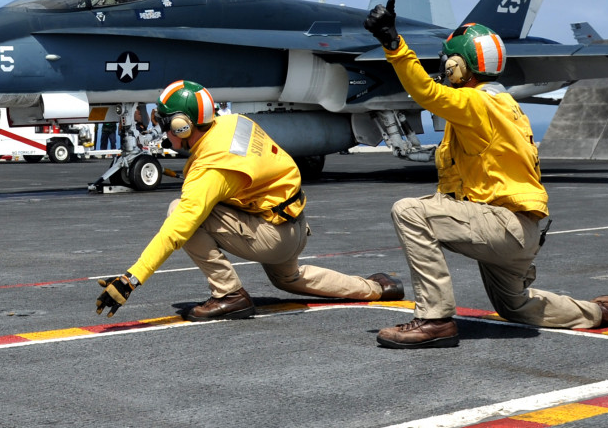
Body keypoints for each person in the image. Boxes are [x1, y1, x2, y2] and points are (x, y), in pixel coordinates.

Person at [362, 0, 608, 349]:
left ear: (457, 66)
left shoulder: (476, 103)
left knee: (409, 210)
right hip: (519, 230)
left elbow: (424, 92)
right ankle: (604, 312)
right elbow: (462, 184)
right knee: (517, 306)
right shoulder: (504, 105)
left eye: (447, 62)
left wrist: (393, 44)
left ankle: (434, 320)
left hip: (501, 225)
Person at [95, 80, 404, 321]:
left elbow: (176, 229)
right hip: (291, 222)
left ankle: (229, 295)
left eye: (165, 123)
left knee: (180, 212)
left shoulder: (211, 166)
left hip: (273, 234)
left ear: (183, 126)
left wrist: (130, 280)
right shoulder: (231, 124)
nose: (161, 130)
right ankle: (377, 287)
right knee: (289, 279)